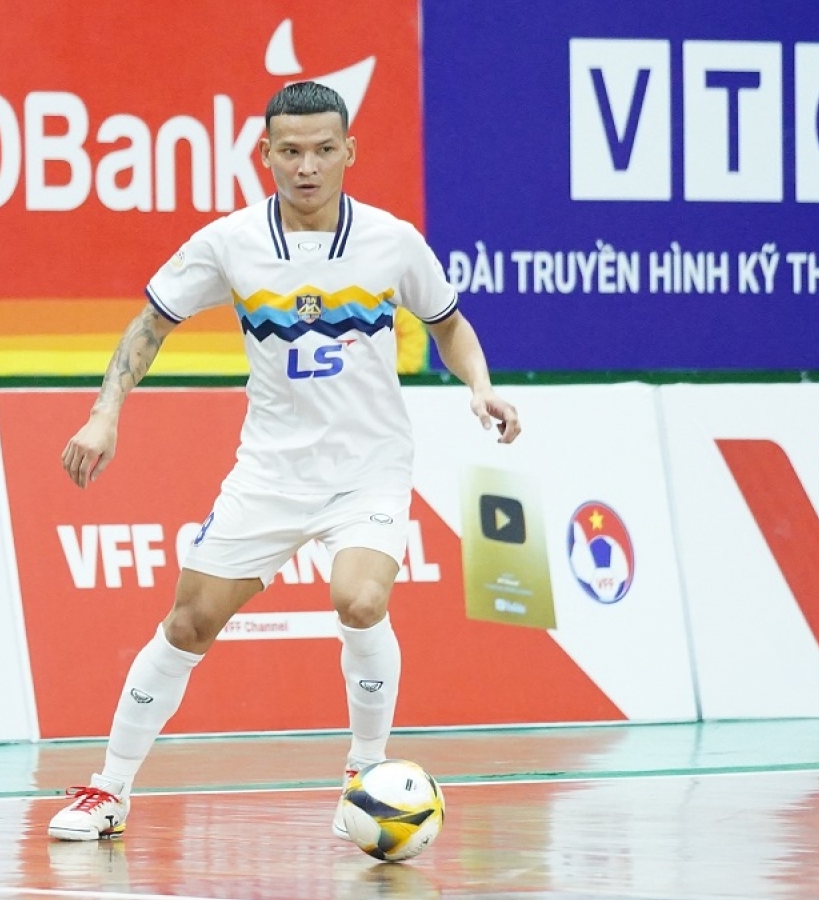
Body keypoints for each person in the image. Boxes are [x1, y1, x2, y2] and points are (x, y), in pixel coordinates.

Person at [47, 81, 521, 842]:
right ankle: (109, 790)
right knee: (189, 622)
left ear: (349, 152)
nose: (308, 166)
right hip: (268, 475)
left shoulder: (393, 241)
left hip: (367, 469)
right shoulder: (230, 242)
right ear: (265, 154)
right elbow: (150, 324)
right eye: (291, 151)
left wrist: (481, 386)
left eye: (324, 150)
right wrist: (105, 414)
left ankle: (365, 775)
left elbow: (449, 324)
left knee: (359, 600)